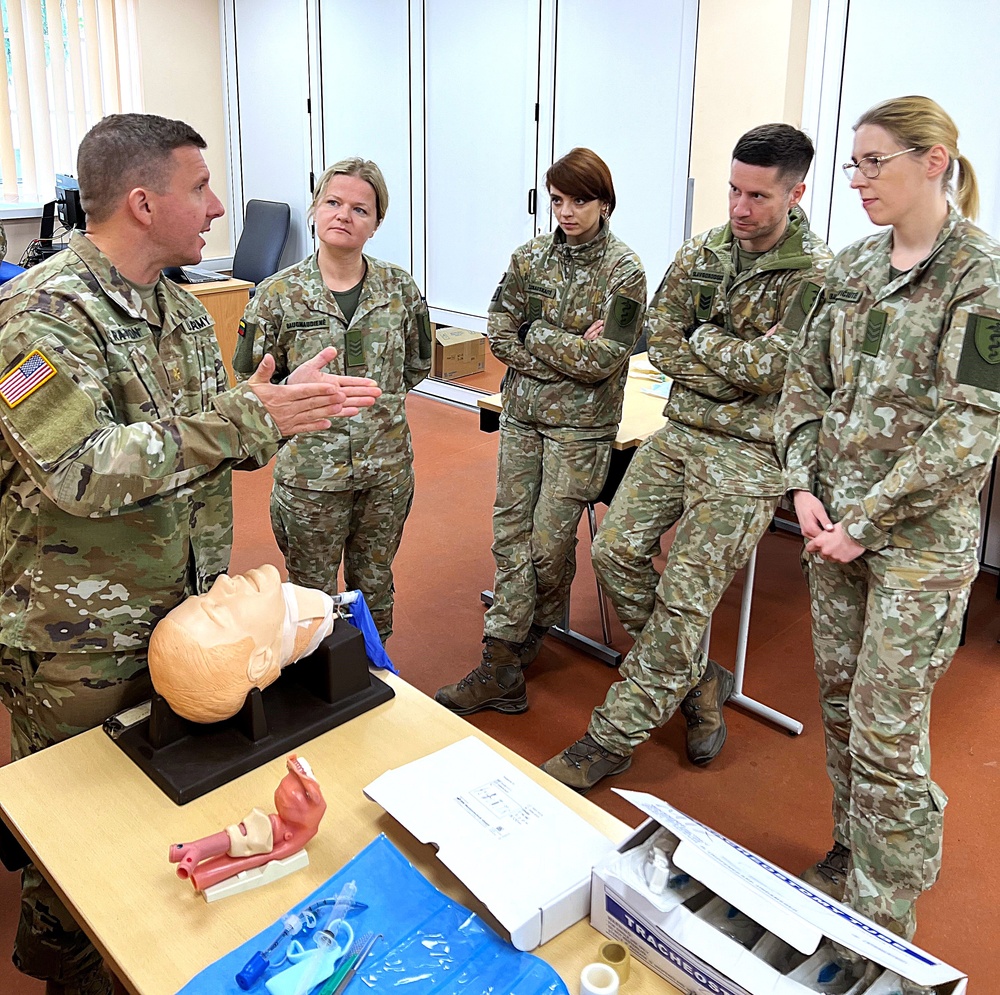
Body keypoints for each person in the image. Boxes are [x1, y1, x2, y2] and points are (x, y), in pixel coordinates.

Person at [0, 113, 380, 995]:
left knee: (164, 796)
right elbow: (80, 471)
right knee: (80, 836)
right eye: (200, 187)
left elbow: (217, 439)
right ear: (143, 201)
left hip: (185, 610)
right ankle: (66, 961)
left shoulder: (176, 306)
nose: (217, 208)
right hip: (75, 634)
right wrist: (247, 418)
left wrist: (271, 409)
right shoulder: (36, 318)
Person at [773, 96, 1000, 969]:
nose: (858, 180)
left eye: (876, 162)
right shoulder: (856, 265)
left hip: (918, 546)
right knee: (838, 701)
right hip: (832, 530)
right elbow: (805, 382)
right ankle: (856, 851)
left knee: (887, 723)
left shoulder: (980, 274)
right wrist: (801, 489)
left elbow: (970, 427)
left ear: (934, 160)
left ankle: (885, 925)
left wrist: (864, 521)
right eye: (854, 164)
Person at [542, 124, 832, 790]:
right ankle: (699, 680)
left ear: (795, 192)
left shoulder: (818, 273)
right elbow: (661, 340)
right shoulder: (703, 250)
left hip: (753, 455)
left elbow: (779, 368)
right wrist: (723, 361)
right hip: (680, 435)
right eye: (733, 188)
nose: (739, 207)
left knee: (683, 599)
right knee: (614, 552)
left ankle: (607, 738)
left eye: (757, 195)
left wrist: (707, 351)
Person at [434, 147, 646, 715]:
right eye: (558, 200)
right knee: (511, 533)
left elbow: (606, 358)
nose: (568, 212)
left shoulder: (625, 270)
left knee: (550, 545)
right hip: (524, 416)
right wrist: (563, 349)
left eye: (581, 200)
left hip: (581, 429)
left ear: (604, 202)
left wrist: (539, 335)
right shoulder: (529, 258)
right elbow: (499, 333)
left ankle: (534, 624)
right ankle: (502, 656)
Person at [233, 158, 431, 643]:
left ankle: (376, 672)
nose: (344, 215)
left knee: (375, 583)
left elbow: (417, 366)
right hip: (310, 476)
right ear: (316, 210)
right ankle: (316, 688)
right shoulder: (276, 296)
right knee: (311, 594)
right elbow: (250, 382)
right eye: (333, 203)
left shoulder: (400, 289)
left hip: (385, 470)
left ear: (376, 223)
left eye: (360, 209)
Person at [148, 564, 337, 723]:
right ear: (260, 662)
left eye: (204, 596)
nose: (222, 581)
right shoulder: (317, 615)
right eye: (221, 609)